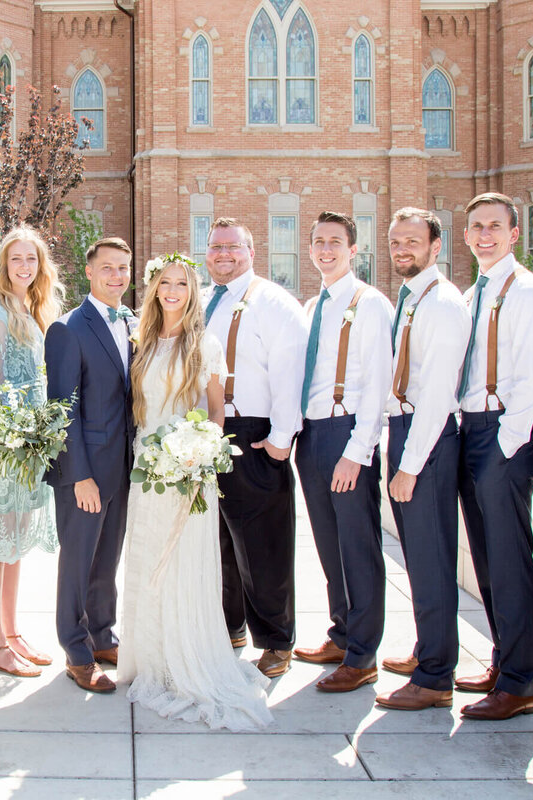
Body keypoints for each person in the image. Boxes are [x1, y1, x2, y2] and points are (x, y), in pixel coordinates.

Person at [118, 255, 272, 730]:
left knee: (182, 561)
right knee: (147, 557)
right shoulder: (141, 341)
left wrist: (197, 455)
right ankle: (148, 657)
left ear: (192, 289)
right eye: (165, 282)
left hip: (185, 467)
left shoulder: (202, 342)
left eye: (181, 283)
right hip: (147, 467)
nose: (172, 290)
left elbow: (215, 410)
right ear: (153, 288)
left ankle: (185, 657)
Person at [454, 194, 533, 721]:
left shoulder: (527, 292)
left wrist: (507, 445)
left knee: (510, 559)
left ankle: (520, 682)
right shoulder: (476, 292)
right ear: (466, 235)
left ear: (516, 234)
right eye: (476, 227)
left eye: (495, 226)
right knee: (488, 558)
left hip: (502, 434)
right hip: (472, 428)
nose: (485, 234)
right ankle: (503, 661)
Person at [292, 212, 393, 694]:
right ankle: (341, 632)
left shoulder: (369, 303)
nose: (325, 249)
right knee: (329, 544)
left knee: (358, 545)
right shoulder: (313, 305)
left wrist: (359, 451)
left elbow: (377, 384)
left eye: (335, 242)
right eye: (318, 242)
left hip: (346, 432)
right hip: (312, 435)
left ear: (354, 250)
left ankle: (363, 654)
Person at [201, 217, 306, 678]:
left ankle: (278, 640)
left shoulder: (273, 301)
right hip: (206, 434)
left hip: (254, 433)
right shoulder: (205, 302)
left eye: (233, 246)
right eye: (216, 246)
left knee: (264, 544)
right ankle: (232, 625)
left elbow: (290, 371)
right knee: (220, 541)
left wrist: (282, 439)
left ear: (251, 250)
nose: (223, 254)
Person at [375, 208, 470, 711]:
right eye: (395, 241)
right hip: (405, 427)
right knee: (418, 557)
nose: (401, 249)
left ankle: (436, 677)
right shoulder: (413, 298)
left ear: (437, 246)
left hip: (426, 437)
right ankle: (427, 651)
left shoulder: (444, 305)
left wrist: (410, 464)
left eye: (412, 240)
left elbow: (437, 394)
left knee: (432, 560)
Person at [45, 237, 135, 693]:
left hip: (121, 465)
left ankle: (103, 633)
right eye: (107, 269)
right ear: (89, 272)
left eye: (123, 268)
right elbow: (62, 409)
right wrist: (79, 474)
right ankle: (76, 650)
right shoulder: (68, 329)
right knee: (79, 561)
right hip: (84, 469)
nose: (116, 276)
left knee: (108, 558)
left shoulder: (133, 324)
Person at [0, 226, 62, 677]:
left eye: (31, 259)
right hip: (4, 445)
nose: (24, 266)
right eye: (16, 260)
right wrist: (18, 432)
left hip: (30, 445)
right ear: (3, 267)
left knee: (14, 546)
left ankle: (11, 632)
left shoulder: (33, 310)